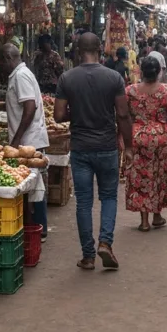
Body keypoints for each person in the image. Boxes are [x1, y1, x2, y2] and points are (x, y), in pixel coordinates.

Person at [55, 33, 133, 270]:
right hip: (107, 147)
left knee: (84, 203)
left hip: (81, 149)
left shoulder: (67, 78)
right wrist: (128, 146)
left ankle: (88, 256)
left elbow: (58, 115)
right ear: (100, 49)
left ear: (78, 51)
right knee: (109, 197)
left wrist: (76, 112)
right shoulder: (114, 77)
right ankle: (105, 243)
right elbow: (122, 114)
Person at [0, 44, 50, 238]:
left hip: (29, 142)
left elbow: (30, 107)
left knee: (35, 187)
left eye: (0, 61)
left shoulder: (20, 76)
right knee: (33, 187)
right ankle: (37, 228)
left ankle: (39, 228)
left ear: (7, 58)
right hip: (28, 140)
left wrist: (16, 139)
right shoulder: (21, 74)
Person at [125, 57, 167, 232]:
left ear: (140, 71)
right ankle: (157, 215)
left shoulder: (130, 91)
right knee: (159, 175)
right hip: (162, 137)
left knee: (141, 176)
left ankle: (144, 220)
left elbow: (124, 116)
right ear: (158, 72)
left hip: (137, 136)